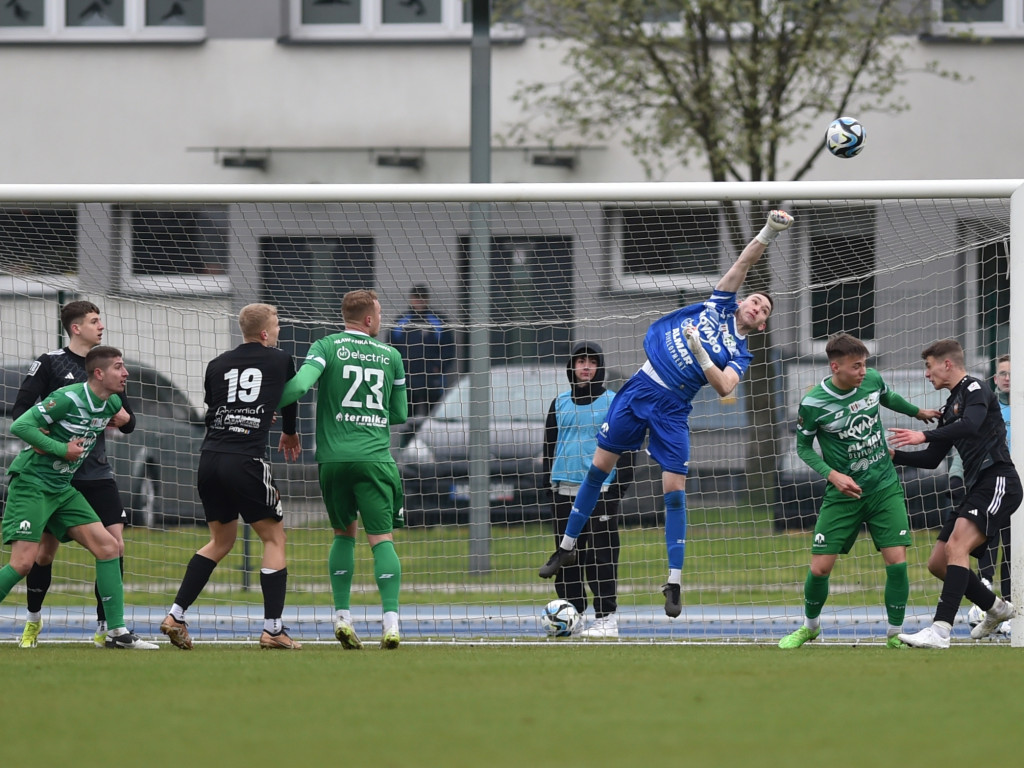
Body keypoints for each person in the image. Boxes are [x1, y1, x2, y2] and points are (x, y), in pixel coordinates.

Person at [538, 210, 795, 617]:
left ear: (762, 325)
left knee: (674, 492)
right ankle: (565, 548)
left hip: (673, 409)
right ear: (743, 299)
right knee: (597, 470)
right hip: (641, 387)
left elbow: (725, 386)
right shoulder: (717, 305)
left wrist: (700, 355)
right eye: (756, 300)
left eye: (764, 310)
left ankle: (673, 582)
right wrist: (768, 232)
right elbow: (744, 262)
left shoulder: (740, 351)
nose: (757, 307)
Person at [777, 333, 939, 650]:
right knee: (820, 567)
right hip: (843, 495)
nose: (863, 371)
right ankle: (810, 627)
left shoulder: (871, 380)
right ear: (835, 367)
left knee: (897, 563)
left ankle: (894, 634)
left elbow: (887, 396)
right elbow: (804, 449)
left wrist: (918, 413)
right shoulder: (813, 404)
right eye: (856, 366)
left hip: (884, 488)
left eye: (864, 364)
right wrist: (833, 475)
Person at [159, 304, 303, 651]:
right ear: (266, 333)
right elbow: (292, 397)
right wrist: (289, 431)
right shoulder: (280, 359)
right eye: (277, 325)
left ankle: (175, 615)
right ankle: (273, 630)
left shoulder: (217, 363)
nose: (279, 330)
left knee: (221, 541)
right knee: (274, 539)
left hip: (210, 459)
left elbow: (216, 408)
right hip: (245, 460)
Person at [1, 346, 157, 650]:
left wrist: (126, 420)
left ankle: (116, 631)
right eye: (118, 367)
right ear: (99, 374)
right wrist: (60, 449)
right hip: (32, 484)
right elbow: (20, 424)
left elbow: (127, 422)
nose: (125, 373)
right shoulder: (68, 397)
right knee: (23, 564)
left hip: (62, 487)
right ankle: (35, 620)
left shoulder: (111, 402)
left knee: (109, 547)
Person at [278, 289, 408, 650]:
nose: (380, 319)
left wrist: (267, 404)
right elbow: (399, 414)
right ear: (368, 319)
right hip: (374, 459)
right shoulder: (391, 355)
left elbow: (302, 385)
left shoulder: (325, 346)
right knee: (380, 539)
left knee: (343, 534)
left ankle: (341, 617)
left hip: (333, 460)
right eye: (379, 314)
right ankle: (391, 623)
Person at [889, 339, 1020, 649]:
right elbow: (932, 458)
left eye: (928, 366)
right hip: (977, 487)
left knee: (957, 546)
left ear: (947, 364)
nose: (926, 374)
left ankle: (940, 630)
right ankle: (997, 608)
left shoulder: (975, 389)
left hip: (998, 479)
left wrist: (923, 432)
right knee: (938, 563)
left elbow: (972, 425)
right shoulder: (950, 407)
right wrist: (894, 455)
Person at [543, 341, 634, 639]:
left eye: (591, 361)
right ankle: (573, 615)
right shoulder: (558, 404)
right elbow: (548, 449)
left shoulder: (613, 401)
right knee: (566, 558)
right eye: (580, 361)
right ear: (572, 367)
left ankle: (606, 617)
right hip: (563, 493)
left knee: (601, 556)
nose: (585, 366)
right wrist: (548, 485)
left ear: (599, 367)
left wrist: (617, 489)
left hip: (601, 494)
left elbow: (628, 446)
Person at [387, 283, 456, 416]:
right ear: (411, 299)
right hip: (406, 380)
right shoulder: (400, 322)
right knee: (406, 418)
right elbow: (390, 348)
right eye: (416, 298)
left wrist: (438, 367)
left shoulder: (438, 321)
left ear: (427, 299)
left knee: (433, 419)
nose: (419, 301)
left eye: (422, 298)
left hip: (432, 381)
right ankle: (408, 438)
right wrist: (398, 370)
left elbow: (448, 348)